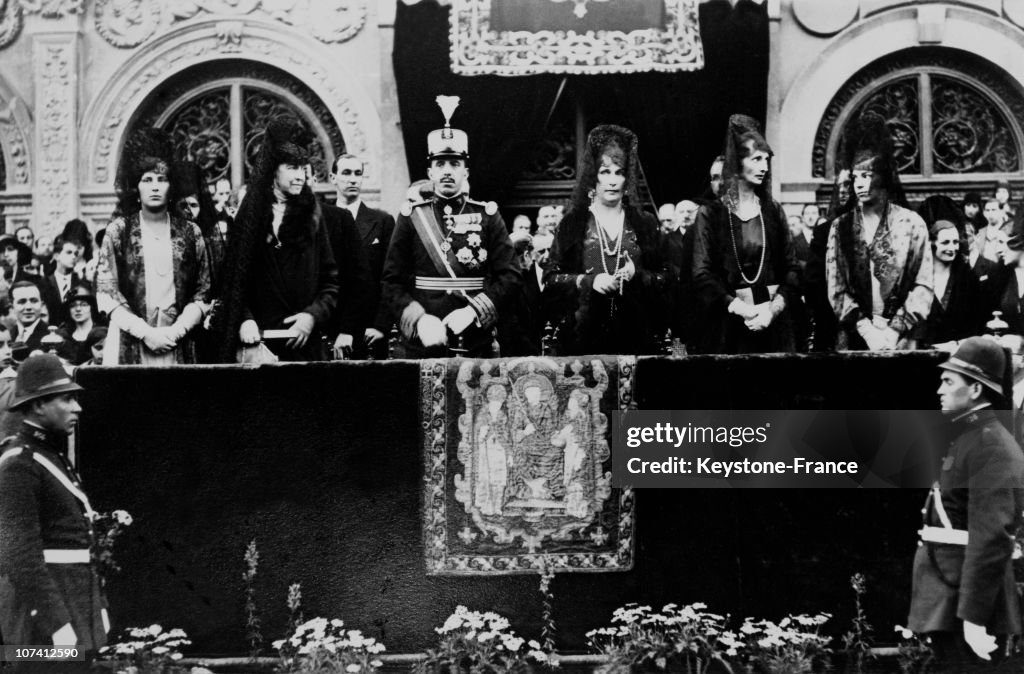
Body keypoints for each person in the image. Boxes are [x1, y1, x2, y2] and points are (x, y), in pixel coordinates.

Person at [909, 337, 1024, 671]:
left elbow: (991, 535)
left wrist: (974, 617)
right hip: (951, 593)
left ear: (975, 390)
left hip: (968, 601)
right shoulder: (972, 437)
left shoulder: (990, 444)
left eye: (948, 381)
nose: (939, 390)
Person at [381, 96, 518, 358]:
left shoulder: (487, 214)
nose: (447, 171)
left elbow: (510, 277)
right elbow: (391, 281)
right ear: (430, 172)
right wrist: (419, 319)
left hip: (475, 338)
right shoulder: (412, 216)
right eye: (440, 164)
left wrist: (474, 311)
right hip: (424, 341)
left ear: (466, 171)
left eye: (455, 164)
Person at [0, 354, 108, 672]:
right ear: (37, 405)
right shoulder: (18, 463)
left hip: (74, 613)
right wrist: (58, 626)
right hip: (43, 630)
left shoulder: (51, 456)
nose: (78, 408)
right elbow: (21, 559)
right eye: (68, 398)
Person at [215, 116, 339, 362]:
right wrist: (245, 319)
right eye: (292, 168)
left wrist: (311, 316)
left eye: (303, 168)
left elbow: (330, 283)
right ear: (273, 170)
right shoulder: (250, 215)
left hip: (306, 347)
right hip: (258, 344)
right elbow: (233, 281)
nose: (300, 176)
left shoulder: (312, 215)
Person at [544, 124, 667, 355]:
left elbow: (667, 277)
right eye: (605, 172)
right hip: (583, 338)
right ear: (593, 177)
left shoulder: (645, 223)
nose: (612, 181)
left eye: (619, 173)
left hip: (637, 336)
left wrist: (637, 275)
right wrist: (590, 281)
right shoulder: (573, 223)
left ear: (627, 179)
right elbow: (551, 279)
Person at [95, 127, 211, 365]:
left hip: (178, 340)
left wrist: (176, 331)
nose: (155, 186)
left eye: (162, 179)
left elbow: (204, 291)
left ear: (171, 188)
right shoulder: (119, 231)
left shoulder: (191, 233)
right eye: (147, 180)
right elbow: (107, 293)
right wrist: (146, 333)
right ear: (136, 189)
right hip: (131, 340)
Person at [692, 114, 800, 354]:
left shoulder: (772, 212)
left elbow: (792, 270)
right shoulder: (711, 214)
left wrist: (772, 310)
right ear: (738, 162)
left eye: (766, 160)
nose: (764, 167)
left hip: (774, 325)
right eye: (756, 159)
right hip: (729, 326)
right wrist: (741, 309)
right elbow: (701, 274)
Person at [826, 112, 933, 350]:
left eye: (867, 176)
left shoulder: (912, 224)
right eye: (855, 178)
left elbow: (923, 284)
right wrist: (868, 331)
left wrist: (894, 330)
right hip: (856, 337)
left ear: (882, 177)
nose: (860, 184)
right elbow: (836, 287)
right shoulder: (841, 227)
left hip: (902, 338)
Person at [328, 153, 395, 360]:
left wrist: (381, 326)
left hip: (369, 332)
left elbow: (391, 277)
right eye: (346, 173)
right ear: (333, 178)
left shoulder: (382, 221)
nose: (353, 179)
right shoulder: (322, 220)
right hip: (329, 326)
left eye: (358, 173)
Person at [920, 221, 984, 349]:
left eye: (955, 242)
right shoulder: (919, 278)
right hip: (923, 356)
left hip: (959, 355)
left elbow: (978, 323)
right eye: (945, 242)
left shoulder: (968, 279)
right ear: (932, 243)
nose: (952, 248)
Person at [39, 236, 82, 328]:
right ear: (56, 256)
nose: (74, 257)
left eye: (76, 253)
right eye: (69, 253)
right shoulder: (44, 283)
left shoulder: (81, 284)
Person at [56, 283, 102, 366]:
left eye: (83, 305)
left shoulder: (102, 334)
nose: (78, 309)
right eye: (73, 306)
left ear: (91, 307)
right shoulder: (62, 335)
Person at [10, 280, 49, 357]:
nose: (28, 307)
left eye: (34, 301)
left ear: (41, 304)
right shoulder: (8, 335)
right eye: (22, 302)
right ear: (12, 306)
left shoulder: (53, 337)